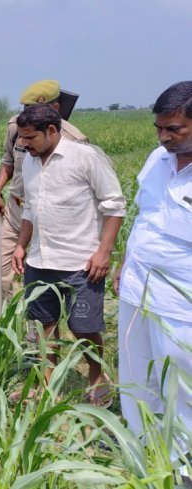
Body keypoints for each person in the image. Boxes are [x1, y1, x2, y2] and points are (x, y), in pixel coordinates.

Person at [10, 104, 125, 406]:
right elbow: (30, 209)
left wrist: (103, 252)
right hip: (40, 259)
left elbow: (113, 206)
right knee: (43, 325)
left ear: (52, 130)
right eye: (20, 139)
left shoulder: (86, 157)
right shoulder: (31, 162)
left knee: (84, 327)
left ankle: (97, 380)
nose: (23, 144)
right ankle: (46, 383)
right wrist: (22, 245)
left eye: (29, 138)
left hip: (81, 261)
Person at [115, 81, 192, 444]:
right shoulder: (156, 160)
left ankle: (183, 464)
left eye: (173, 129)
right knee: (135, 374)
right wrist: (125, 261)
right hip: (137, 288)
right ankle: (142, 448)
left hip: (181, 302)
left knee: (181, 383)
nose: (163, 137)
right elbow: (144, 217)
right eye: (159, 128)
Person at [0, 80, 88, 321]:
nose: (26, 115)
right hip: (16, 210)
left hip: (50, 218)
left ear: (55, 108)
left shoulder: (74, 141)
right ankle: (4, 332)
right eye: (25, 109)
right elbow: (8, 161)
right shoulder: (16, 128)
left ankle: (37, 342)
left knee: (39, 282)